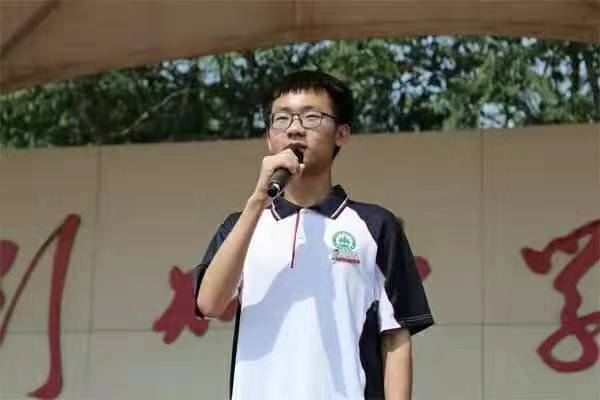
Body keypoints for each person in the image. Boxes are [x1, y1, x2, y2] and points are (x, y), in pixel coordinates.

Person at [193, 70, 434, 400]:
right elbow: (208, 303)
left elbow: (395, 338)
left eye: (311, 117)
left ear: (342, 134)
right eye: (282, 119)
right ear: (269, 138)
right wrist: (257, 200)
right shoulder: (243, 225)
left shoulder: (375, 225)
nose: (294, 128)